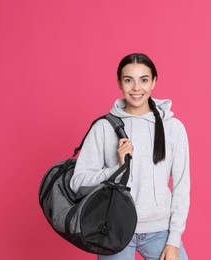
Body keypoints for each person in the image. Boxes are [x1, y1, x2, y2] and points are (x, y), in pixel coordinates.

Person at [70, 53, 190, 260]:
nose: (136, 88)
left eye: (144, 80)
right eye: (128, 80)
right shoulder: (104, 128)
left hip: (160, 231)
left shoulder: (173, 128)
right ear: (119, 83)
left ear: (154, 82)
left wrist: (174, 240)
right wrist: (117, 168)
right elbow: (77, 182)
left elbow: (181, 185)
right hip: (113, 229)